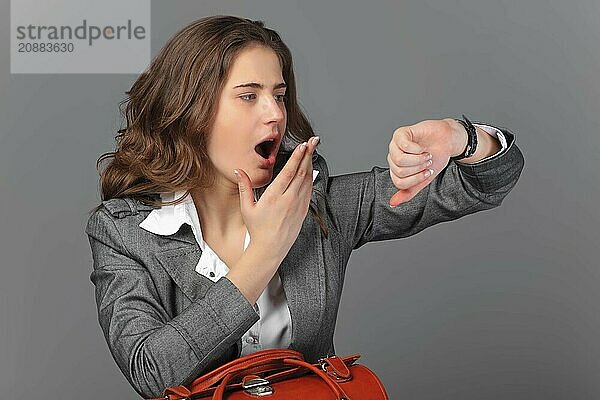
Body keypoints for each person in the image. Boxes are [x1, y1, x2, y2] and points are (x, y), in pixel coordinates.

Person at [85, 15, 525, 399]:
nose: (275, 114)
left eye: (278, 95)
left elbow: (483, 184)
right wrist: (265, 252)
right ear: (191, 111)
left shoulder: (320, 205)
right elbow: (151, 370)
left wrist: (459, 137)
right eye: (248, 95)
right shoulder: (124, 232)